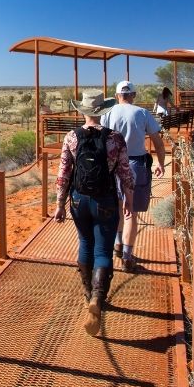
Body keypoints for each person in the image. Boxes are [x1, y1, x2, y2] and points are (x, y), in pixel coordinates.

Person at [54, 90, 134, 336]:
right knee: (103, 249)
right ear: (102, 111)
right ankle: (97, 300)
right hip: (106, 199)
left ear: (83, 111)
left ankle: (88, 294)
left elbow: (64, 173)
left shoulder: (71, 137)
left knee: (85, 242)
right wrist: (129, 199)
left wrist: (59, 204)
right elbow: (124, 172)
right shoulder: (115, 139)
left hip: (79, 200)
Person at [101, 81, 166, 271]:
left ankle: (117, 244)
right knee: (131, 212)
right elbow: (158, 143)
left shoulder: (108, 113)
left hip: (112, 166)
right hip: (135, 165)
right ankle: (127, 256)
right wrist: (160, 164)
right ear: (134, 95)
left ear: (116, 95)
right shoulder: (142, 113)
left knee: (117, 208)